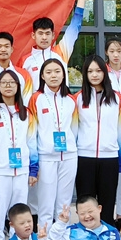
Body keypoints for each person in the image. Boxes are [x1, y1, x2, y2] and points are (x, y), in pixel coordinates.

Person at [0, 69, 39, 240]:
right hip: (0, 171)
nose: (8, 86)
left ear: (18, 86)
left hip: (22, 171)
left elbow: (32, 142)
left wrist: (33, 170)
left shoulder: (27, 113)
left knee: (20, 213)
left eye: (12, 82)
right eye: (3, 82)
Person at [74, 55, 121, 222]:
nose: (94, 75)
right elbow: (73, 130)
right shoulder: (77, 98)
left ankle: (106, 233)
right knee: (86, 203)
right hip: (84, 157)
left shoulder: (117, 98)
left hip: (109, 157)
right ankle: (86, 234)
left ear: (105, 72)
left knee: (107, 202)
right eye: (90, 71)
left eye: (98, 71)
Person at [29, 58, 78, 230]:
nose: (53, 76)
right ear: (42, 76)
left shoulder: (71, 99)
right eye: (48, 72)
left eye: (57, 72)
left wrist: (72, 145)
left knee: (64, 202)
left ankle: (62, 239)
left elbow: (75, 128)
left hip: (69, 156)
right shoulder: (36, 99)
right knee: (46, 203)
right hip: (46, 157)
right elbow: (32, 132)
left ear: (63, 75)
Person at [21, 0, 88, 78]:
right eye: (40, 33)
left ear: (53, 35)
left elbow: (75, 26)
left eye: (47, 33)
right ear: (33, 35)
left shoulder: (61, 52)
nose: (44, 37)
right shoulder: (25, 60)